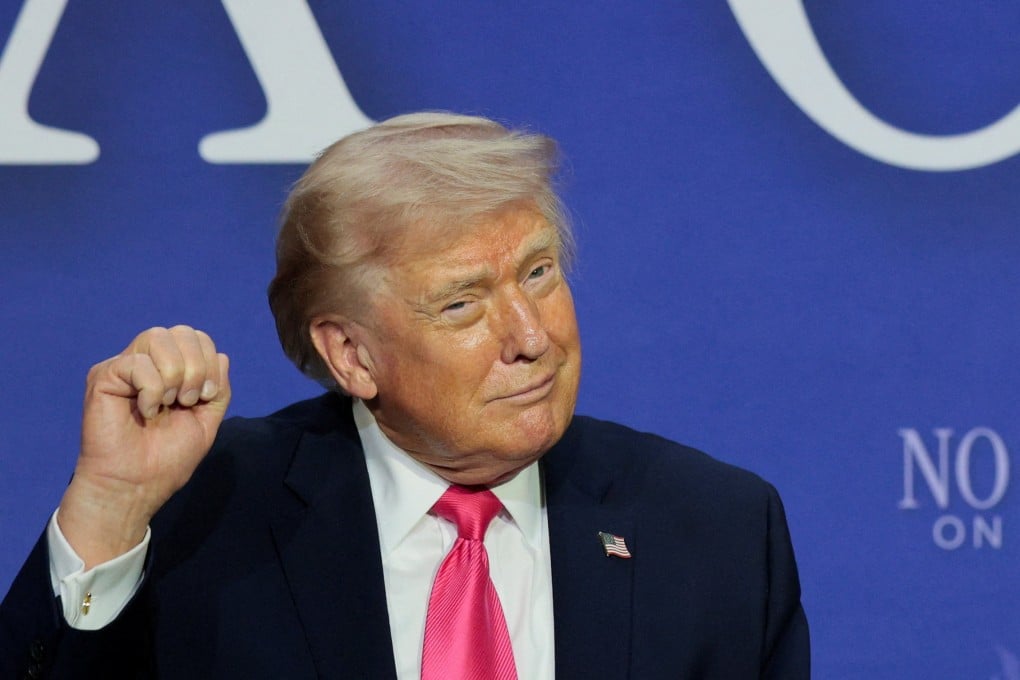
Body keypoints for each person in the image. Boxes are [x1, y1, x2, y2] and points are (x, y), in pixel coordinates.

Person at [1, 112, 809, 679]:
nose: (531, 334)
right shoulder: (207, 511)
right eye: (462, 304)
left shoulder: (718, 532)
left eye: (539, 273)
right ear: (351, 354)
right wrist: (110, 509)